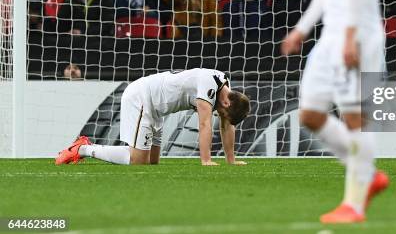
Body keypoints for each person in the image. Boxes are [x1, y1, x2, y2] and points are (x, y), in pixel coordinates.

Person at [281, 0, 388, 224]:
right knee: (310, 112)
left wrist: (351, 36)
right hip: (332, 35)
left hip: (356, 34)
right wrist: (302, 29)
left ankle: (355, 202)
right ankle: (368, 172)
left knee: (356, 118)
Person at [55, 68, 250, 166]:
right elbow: (204, 124)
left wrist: (230, 160)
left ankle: (83, 148)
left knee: (151, 164)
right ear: (226, 103)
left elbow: (227, 125)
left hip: (157, 108)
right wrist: (206, 160)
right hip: (142, 98)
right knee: (137, 160)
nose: (219, 115)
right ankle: (81, 148)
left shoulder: (224, 87)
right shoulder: (209, 87)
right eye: (221, 113)